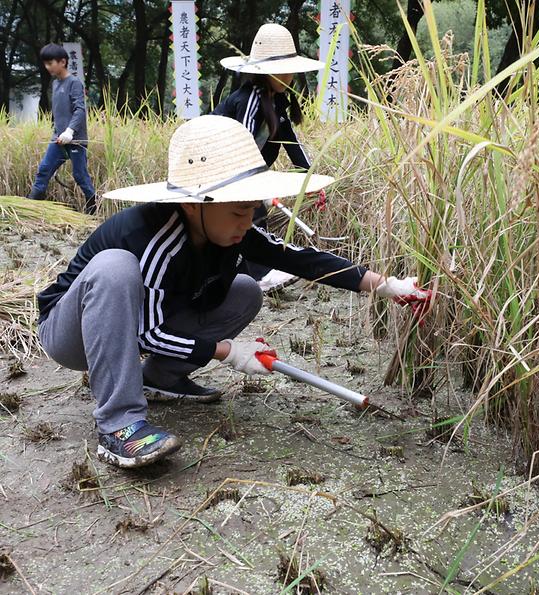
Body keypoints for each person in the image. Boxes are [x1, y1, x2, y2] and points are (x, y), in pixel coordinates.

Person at [36, 115, 432, 469]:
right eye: (239, 211)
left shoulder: (231, 226)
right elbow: (148, 333)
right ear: (195, 206)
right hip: (74, 333)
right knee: (115, 267)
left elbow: (300, 258)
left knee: (244, 290)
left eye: (252, 210)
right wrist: (227, 352)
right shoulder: (154, 237)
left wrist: (384, 285)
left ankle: (159, 378)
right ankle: (119, 424)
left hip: (143, 320)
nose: (248, 221)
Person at [215, 23, 326, 291]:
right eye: (284, 69)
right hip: (220, 167)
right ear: (268, 72)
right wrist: (255, 186)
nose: (290, 75)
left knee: (247, 218)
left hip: (248, 173)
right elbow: (239, 144)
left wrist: (311, 183)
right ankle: (260, 275)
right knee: (249, 213)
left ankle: (244, 274)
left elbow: (292, 144)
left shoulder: (278, 102)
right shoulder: (247, 100)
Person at [27, 43, 97, 215]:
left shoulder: (74, 83)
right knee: (44, 170)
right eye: (46, 63)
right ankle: (29, 208)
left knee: (80, 176)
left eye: (50, 63)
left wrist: (70, 131)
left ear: (63, 62)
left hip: (75, 140)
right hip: (58, 138)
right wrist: (59, 132)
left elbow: (80, 109)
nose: (47, 67)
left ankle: (93, 206)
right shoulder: (55, 84)